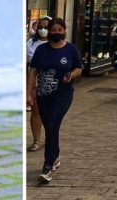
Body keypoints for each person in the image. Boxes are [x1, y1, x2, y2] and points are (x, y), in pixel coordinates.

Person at [27, 18, 83, 185]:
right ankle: (55, 155)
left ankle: (47, 166)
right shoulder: (41, 50)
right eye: (53, 30)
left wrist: (71, 75)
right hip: (43, 95)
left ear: (65, 31)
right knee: (51, 127)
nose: (56, 33)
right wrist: (29, 92)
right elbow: (33, 71)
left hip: (63, 94)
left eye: (60, 30)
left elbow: (79, 68)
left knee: (52, 125)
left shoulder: (71, 50)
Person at [26, 17, 51, 152]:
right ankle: (36, 140)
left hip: (51, 81)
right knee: (36, 111)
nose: (43, 30)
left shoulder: (55, 43)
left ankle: (50, 138)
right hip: (35, 79)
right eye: (41, 26)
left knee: (49, 112)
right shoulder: (31, 43)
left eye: (46, 27)